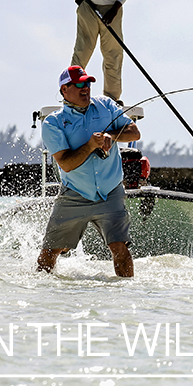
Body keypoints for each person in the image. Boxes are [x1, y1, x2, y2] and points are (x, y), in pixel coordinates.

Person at [36, 64, 141, 277]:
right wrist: (91, 145)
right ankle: (39, 296)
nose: (86, 88)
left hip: (110, 192)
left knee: (120, 248)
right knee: (50, 252)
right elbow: (65, 163)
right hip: (75, 194)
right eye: (79, 84)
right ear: (64, 90)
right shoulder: (53, 123)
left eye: (88, 83)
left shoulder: (106, 105)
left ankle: (128, 297)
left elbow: (134, 132)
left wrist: (113, 136)